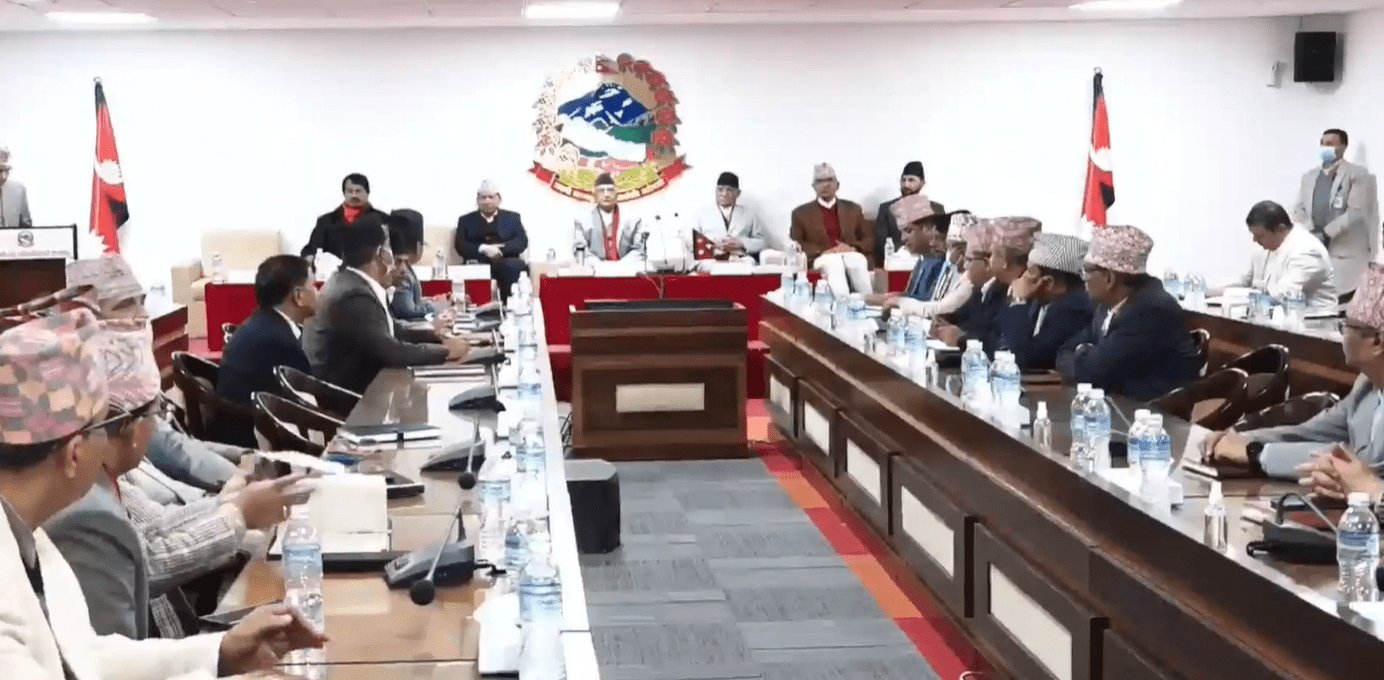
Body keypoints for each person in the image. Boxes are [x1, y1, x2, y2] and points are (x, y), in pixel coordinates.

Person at [0, 308, 326, 677]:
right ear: (75, 453)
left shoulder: (29, 534)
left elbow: (87, 658)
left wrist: (220, 652)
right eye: (103, 427)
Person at [1201, 262, 1384, 482]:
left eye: (1347, 326)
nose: (1342, 333)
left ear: (1377, 341)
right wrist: (1239, 439)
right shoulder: (1366, 384)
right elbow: (1308, 432)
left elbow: (1366, 469)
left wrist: (1256, 454)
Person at [303, 213, 470, 393]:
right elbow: (390, 351)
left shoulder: (351, 281)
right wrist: (445, 352)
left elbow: (393, 330)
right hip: (347, 399)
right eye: (389, 248)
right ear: (380, 254)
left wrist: (437, 336)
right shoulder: (354, 295)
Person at [1056, 225, 1200, 401]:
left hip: (1156, 411)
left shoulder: (1150, 310)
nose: (1083, 278)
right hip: (1117, 404)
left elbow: (1092, 373)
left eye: (1086, 270)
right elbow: (1064, 352)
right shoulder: (1106, 306)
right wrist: (1086, 356)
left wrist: (1083, 354)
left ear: (1109, 278)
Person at [217, 254, 318, 407]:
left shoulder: (261, 323)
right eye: (313, 286)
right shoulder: (281, 344)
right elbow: (307, 407)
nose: (317, 292)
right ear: (299, 296)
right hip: (250, 420)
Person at [1292, 128, 1373, 301]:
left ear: (1343, 147)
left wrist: (1325, 233)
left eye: (1329, 144)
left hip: (1345, 254)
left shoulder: (1356, 174)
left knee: (1342, 302)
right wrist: (1311, 230)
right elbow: (1298, 209)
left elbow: (1355, 211)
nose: (1325, 148)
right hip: (1316, 251)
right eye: (1322, 144)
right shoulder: (1309, 177)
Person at [1210, 200, 1337, 311]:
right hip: (1272, 318)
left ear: (1280, 229)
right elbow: (1243, 281)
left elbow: (1283, 295)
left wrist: (1240, 295)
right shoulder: (1267, 245)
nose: (1255, 240)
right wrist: (1207, 291)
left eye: (1260, 236)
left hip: (1313, 324)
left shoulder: (1307, 250)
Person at [994, 233, 1095, 370]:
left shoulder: (1073, 310)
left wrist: (1018, 300)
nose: (1022, 278)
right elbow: (1001, 341)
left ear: (1048, 283)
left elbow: (1024, 358)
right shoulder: (1039, 302)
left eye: (1029, 272)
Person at [790, 163, 873, 295]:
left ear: (837, 185)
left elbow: (869, 239)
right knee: (834, 264)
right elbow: (796, 244)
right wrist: (825, 251)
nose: (825, 185)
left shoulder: (853, 209)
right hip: (822, 256)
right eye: (820, 181)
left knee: (857, 261)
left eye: (829, 180)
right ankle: (843, 302)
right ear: (813, 186)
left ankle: (869, 300)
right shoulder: (800, 213)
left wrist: (853, 248)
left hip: (850, 253)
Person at [933, 220, 1009, 348]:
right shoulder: (979, 290)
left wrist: (962, 338)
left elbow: (1000, 342)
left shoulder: (1004, 293)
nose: (964, 266)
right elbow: (962, 317)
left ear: (987, 264)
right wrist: (943, 320)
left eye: (969, 260)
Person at [869, 195, 946, 311]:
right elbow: (911, 295)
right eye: (902, 232)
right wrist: (864, 298)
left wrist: (894, 301)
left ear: (929, 228)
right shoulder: (923, 259)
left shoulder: (942, 261)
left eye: (908, 231)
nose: (903, 239)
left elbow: (928, 305)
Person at [896, 212, 978, 318]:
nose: (932, 243)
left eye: (940, 239)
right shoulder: (946, 265)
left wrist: (898, 302)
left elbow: (939, 309)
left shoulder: (970, 278)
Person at [456, 181, 529, 300]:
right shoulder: (466, 220)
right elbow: (460, 245)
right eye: (483, 197)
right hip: (478, 261)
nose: (487, 201)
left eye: (491, 197)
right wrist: (482, 249)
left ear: (499, 199)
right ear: (477, 200)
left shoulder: (511, 218)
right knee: (473, 270)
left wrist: (500, 249)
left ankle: (510, 305)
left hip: (506, 260)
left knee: (514, 266)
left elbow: (521, 241)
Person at [301, 172, 389, 261]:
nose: (354, 195)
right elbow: (311, 249)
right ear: (344, 193)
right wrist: (310, 257)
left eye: (358, 191)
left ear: (367, 193)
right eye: (350, 191)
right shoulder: (326, 222)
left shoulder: (382, 221)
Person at [874, 161, 944, 264]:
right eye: (903, 180)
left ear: (922, 183)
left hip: (928, 260)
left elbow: (941, 242)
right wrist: (906, 252)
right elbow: (881, 243)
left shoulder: (936, 209)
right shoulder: (886, 209)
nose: (906, 184)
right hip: (898, 260)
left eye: (911, 180)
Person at [386, 209, 449, 321]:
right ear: (418, 246)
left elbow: (413, 302)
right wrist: (438, 306)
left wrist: (431, 301)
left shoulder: (403, 268)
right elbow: (407, 310)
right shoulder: (402, 275)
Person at [692, 171, 769, 261]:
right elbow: (691, 241)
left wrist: (741, 243)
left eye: (729, 190)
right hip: (711, 260)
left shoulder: (750, 214)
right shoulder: (702, 214)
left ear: (738, 193)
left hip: (741, 260)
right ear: (715, 191)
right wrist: (712, 244)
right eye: (720, 189)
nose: (724, 193)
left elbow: (762, 243)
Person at [575, 173, 643, 261]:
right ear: (594, 195)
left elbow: (639, 249)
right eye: (601, 190)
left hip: (625, 266)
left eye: (610, 190)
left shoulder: (633, 219)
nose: (606, 194)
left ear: (617, 194)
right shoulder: (582, 220)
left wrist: (622, 265)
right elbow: (580, 251)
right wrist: (599, 265)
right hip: (595, 267)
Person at [0, 145, 32, 229]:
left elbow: (26, 226)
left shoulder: (19, 190)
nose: (3, 176)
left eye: (7, 170)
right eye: (0, 170)